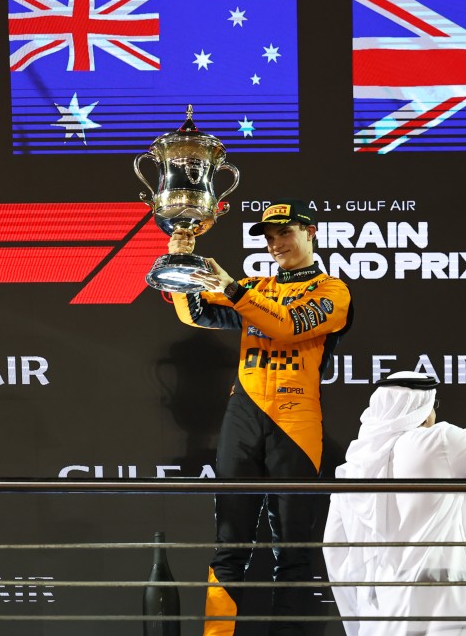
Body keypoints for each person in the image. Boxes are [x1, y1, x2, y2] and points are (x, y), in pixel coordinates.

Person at [168, 199, 353, 635]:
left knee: (292, 548)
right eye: (270, 237)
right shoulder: (256, 288)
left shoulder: (333, 292)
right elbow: (194, 311)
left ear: (312, 233)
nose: (276, 244)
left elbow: (286, 326)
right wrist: (181, 264)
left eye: (285, 233)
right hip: (244, 411)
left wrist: (235, 290)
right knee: (230, 542)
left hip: (297, 416)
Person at [323, 371, 466, 635]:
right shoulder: (434, 441)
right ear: (425, 410)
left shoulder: (351, 469)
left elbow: (336, 555)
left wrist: (357, 624)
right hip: (450, 612)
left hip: (383, 618)